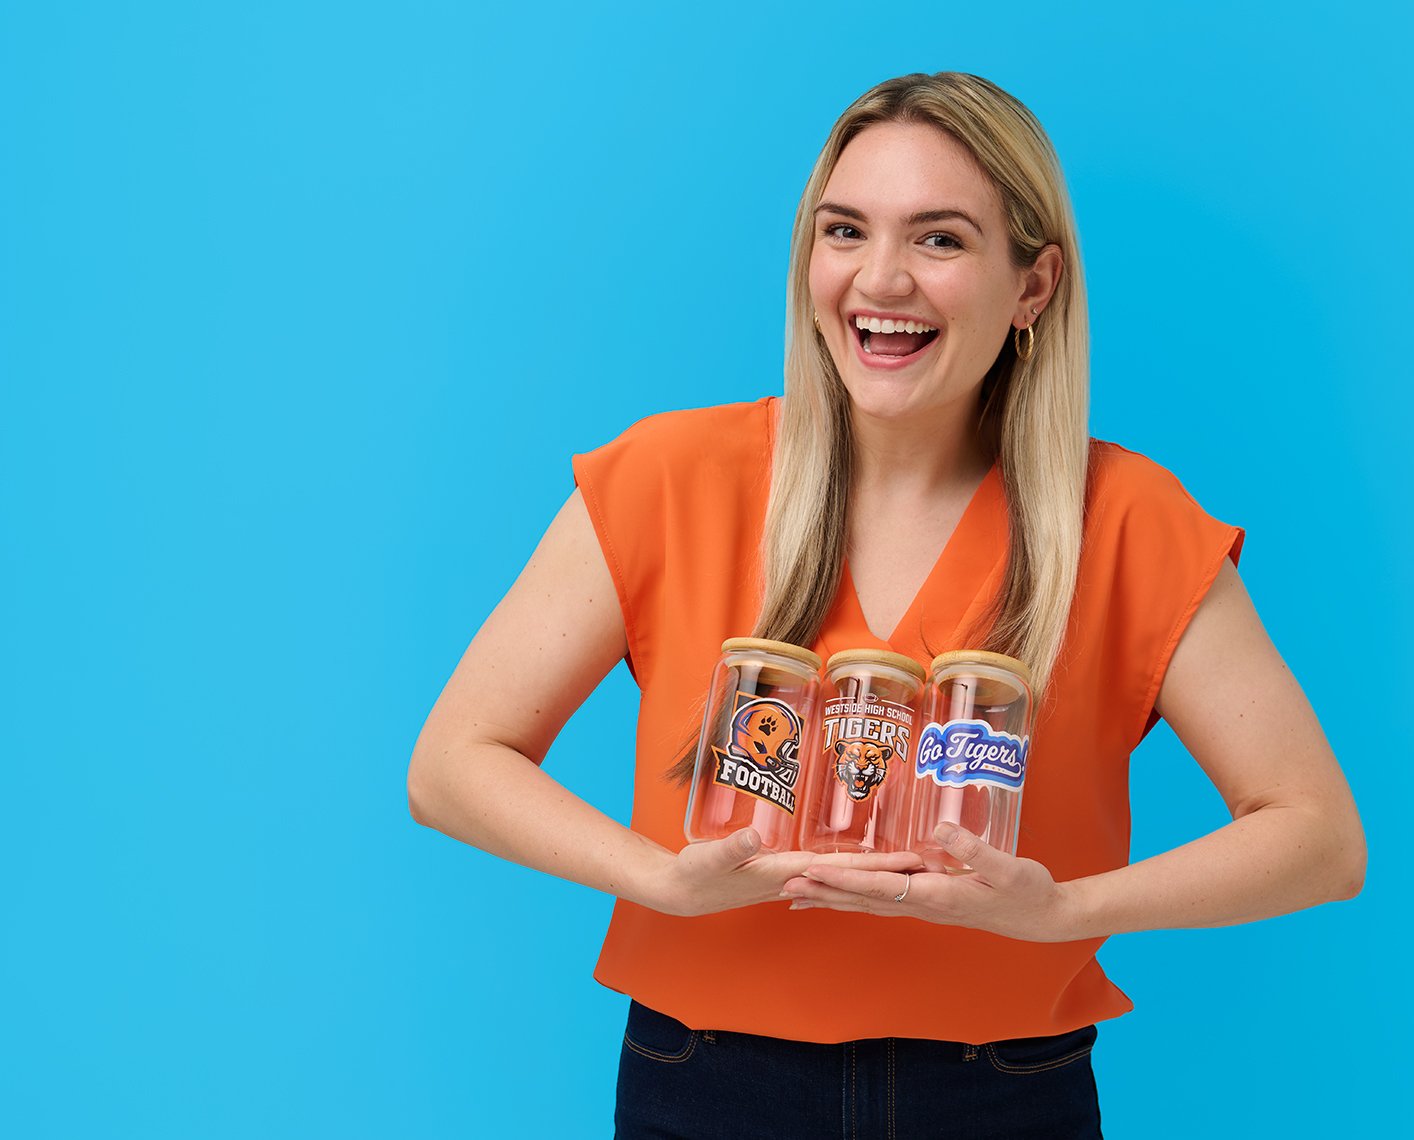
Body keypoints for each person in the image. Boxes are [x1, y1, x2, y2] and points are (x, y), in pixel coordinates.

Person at [408, 71, 1365, 1139]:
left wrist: (1066, 911)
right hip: (704, 1084)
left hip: (1002, 1093)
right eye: (845, 230)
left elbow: (1319, 837)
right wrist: (658, 882)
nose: (881, 279)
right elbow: (453, 761)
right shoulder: (667, 479)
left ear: (1034, 286)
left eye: (940, 240)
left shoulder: (1127, 521)